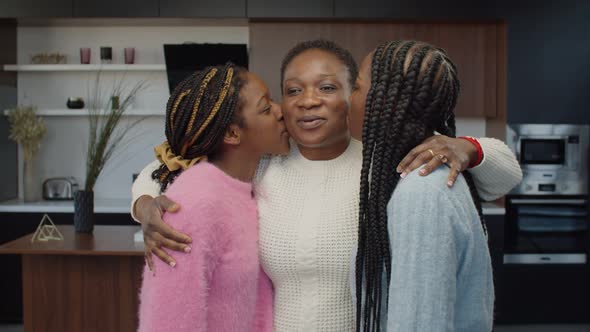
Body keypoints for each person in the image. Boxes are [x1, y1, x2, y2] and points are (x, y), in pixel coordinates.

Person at [132, 40, 522, 331]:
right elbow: (164, 170)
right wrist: (146, 206)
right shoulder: (264, 164)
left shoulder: (388, 163)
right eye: (293, 90)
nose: (308, 101)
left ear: (358, 98)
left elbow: (505, 176)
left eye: (327, 88)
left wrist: (467, 148)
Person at [353, 40, 498, 331]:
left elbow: (420, 322)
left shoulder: (421, 194)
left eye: (357, 87)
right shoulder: (425, 176)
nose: (349, 98)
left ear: (383, 102)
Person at [137, 63, 288, 332]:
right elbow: (168, 321)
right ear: (232, 133)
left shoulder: (244, 186)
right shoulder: (196, 200)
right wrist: (145, 205)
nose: (280, 111)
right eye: (266, 108)